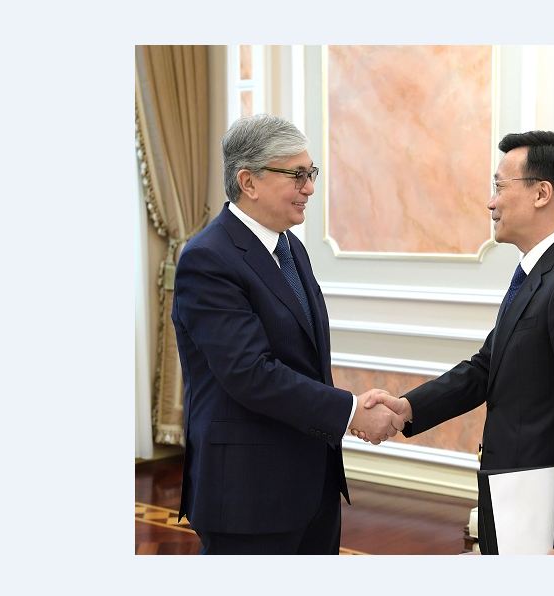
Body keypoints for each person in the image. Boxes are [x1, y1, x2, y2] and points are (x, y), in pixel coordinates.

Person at [358, 131, 554, 555]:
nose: (491, 202)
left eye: (500, 186)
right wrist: (408, 408)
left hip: (545, 510)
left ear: (541, 193)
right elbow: (487, 366)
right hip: (513, 494)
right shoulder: (542, 273)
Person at [171, 114, 404, 554]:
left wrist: (347, 412)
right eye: (297, 175)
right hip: (248, 494)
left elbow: (302, 360)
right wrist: (351, 411)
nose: (310, 187)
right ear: (248, 182)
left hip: (312, 484)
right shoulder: (208, 258)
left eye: (311, 173)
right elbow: (250, 373)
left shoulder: (290, 246)